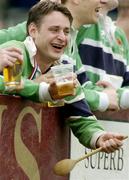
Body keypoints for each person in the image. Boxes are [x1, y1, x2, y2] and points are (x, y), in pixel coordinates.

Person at [0, 1, 126, 153]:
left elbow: (80, 113)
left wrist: (99, 137)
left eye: (66, 32)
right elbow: (10, 84)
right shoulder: (15, 53)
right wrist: (44, 91)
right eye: (54, 30)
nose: (62, 37)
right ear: (33, 31)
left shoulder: (63, 69)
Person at [76, 0, 129, 111]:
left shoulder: (119, 35)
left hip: (104, 124)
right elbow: (63, 80)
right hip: (75, 121)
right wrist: (105, 97)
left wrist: (113, 96)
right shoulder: (83, 23)